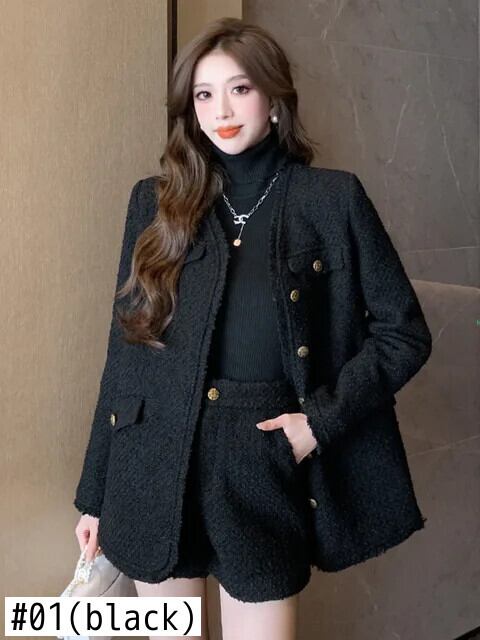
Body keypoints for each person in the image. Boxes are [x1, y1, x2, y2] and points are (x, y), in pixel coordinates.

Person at [74, 17, 432, 640]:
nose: (221, 110)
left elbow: (404, 333)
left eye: (239, 89)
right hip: (151, 462)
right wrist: (96, 496)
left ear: (273, 98)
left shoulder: (332, 200)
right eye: (204, 94)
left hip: (262, 460)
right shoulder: (154, 204)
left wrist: (318, 423)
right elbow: (125, 352)